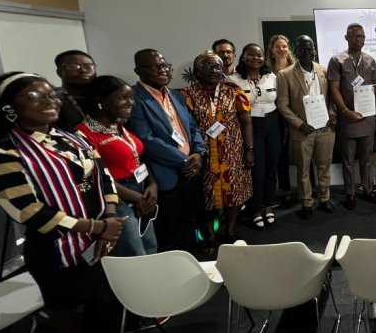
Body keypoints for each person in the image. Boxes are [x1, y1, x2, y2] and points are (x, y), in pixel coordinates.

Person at [0, 72, 150, 333]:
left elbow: (104, 179)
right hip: (53, 249)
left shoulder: (72, 138)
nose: (48, 101)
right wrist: (99, 227)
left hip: (100, 236)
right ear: (8, 108)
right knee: (68, 310)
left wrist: (110, 217)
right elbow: (31, 212)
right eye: (34, 96)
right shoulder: (0, 156)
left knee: (106, 297)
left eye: (51, 94)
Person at [130, 49, 206, 253]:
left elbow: (193, 127)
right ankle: (175, 268)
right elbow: (146, 139)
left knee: (190, 218)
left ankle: (192, 258)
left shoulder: (176, 96)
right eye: (155, 67)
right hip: (164, 173)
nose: (162, 70)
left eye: (164, 66)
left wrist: (198, 154)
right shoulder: (134, 99)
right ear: (139, 70)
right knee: (169, 226)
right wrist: (184, 161)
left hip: (192, 167)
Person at [78, 76, 158, 257]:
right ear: (100, 101)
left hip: (142, 190)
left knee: (150, 244)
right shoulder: (83, 133)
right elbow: (95, 174)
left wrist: (153, 185)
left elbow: (138, 157)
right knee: (133, 251)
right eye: (123, 98)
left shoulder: (119, 125)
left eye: (131, 98)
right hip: (116, 197)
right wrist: (135, 197)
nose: (130, 103)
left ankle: (154, 282)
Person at [182, 52, 253, 248]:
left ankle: (230, 231)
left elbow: (246, 121)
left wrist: (249, 149)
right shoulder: (186, 95)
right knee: (207, 198)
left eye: (217, 66)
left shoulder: (234, 91)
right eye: (207, 66)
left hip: (233, 151)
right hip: (204, 154)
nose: (214, 70)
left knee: (234, 194)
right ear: (197, 71)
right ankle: (209, 236)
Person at [276, 35, 337, 218]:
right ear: (296, 51)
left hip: (325, 128)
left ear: (314, 51)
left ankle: (325, 198)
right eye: (302, 49)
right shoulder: (285, 74)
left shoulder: (324, 71)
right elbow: (282, 105)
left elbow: (332, 98)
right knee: (303, 169)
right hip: (303, 130)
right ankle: (306, 202)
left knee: (324, 166)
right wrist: (299, 124)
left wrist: (333, 116)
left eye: (310, 49)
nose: (307, 53)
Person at [328, 23, 376, 209]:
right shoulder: (337, 60)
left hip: (367, 120)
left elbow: (374, 86)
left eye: (361, 36)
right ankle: (350, 194)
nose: (358, 39)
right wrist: (345, 111)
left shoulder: (370, 60)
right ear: (346, 37)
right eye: (354, 36)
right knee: (348, 161)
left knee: (367, 160)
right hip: (347, 120)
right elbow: (333, 89)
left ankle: (367, 190)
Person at [229, 43, 280, 228]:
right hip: (251, 126)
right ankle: (255, 209)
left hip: (272, 123)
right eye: (251, 55)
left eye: (259, 55)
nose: (256, 58)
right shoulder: (233, 80)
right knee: (256, 171)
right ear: (243, 57)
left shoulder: (271, 77)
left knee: (271, 168)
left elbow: (280, 101)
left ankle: (268, 206)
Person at [268, 34, 296, 207]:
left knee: (303, 151)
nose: (281, 49)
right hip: (275, 117)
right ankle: (285, 190)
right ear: (271, 50)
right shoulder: (265, 70)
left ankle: (309, 189)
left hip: (296, 115)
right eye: (277, 47)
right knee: (281, 155)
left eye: (284, 46)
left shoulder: (296, 68)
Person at [54, 49, 97, 129]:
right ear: (59, 72)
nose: (83, 70)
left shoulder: (107, 96)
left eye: (88, 66)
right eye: (73, 66)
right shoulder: (53, 99)